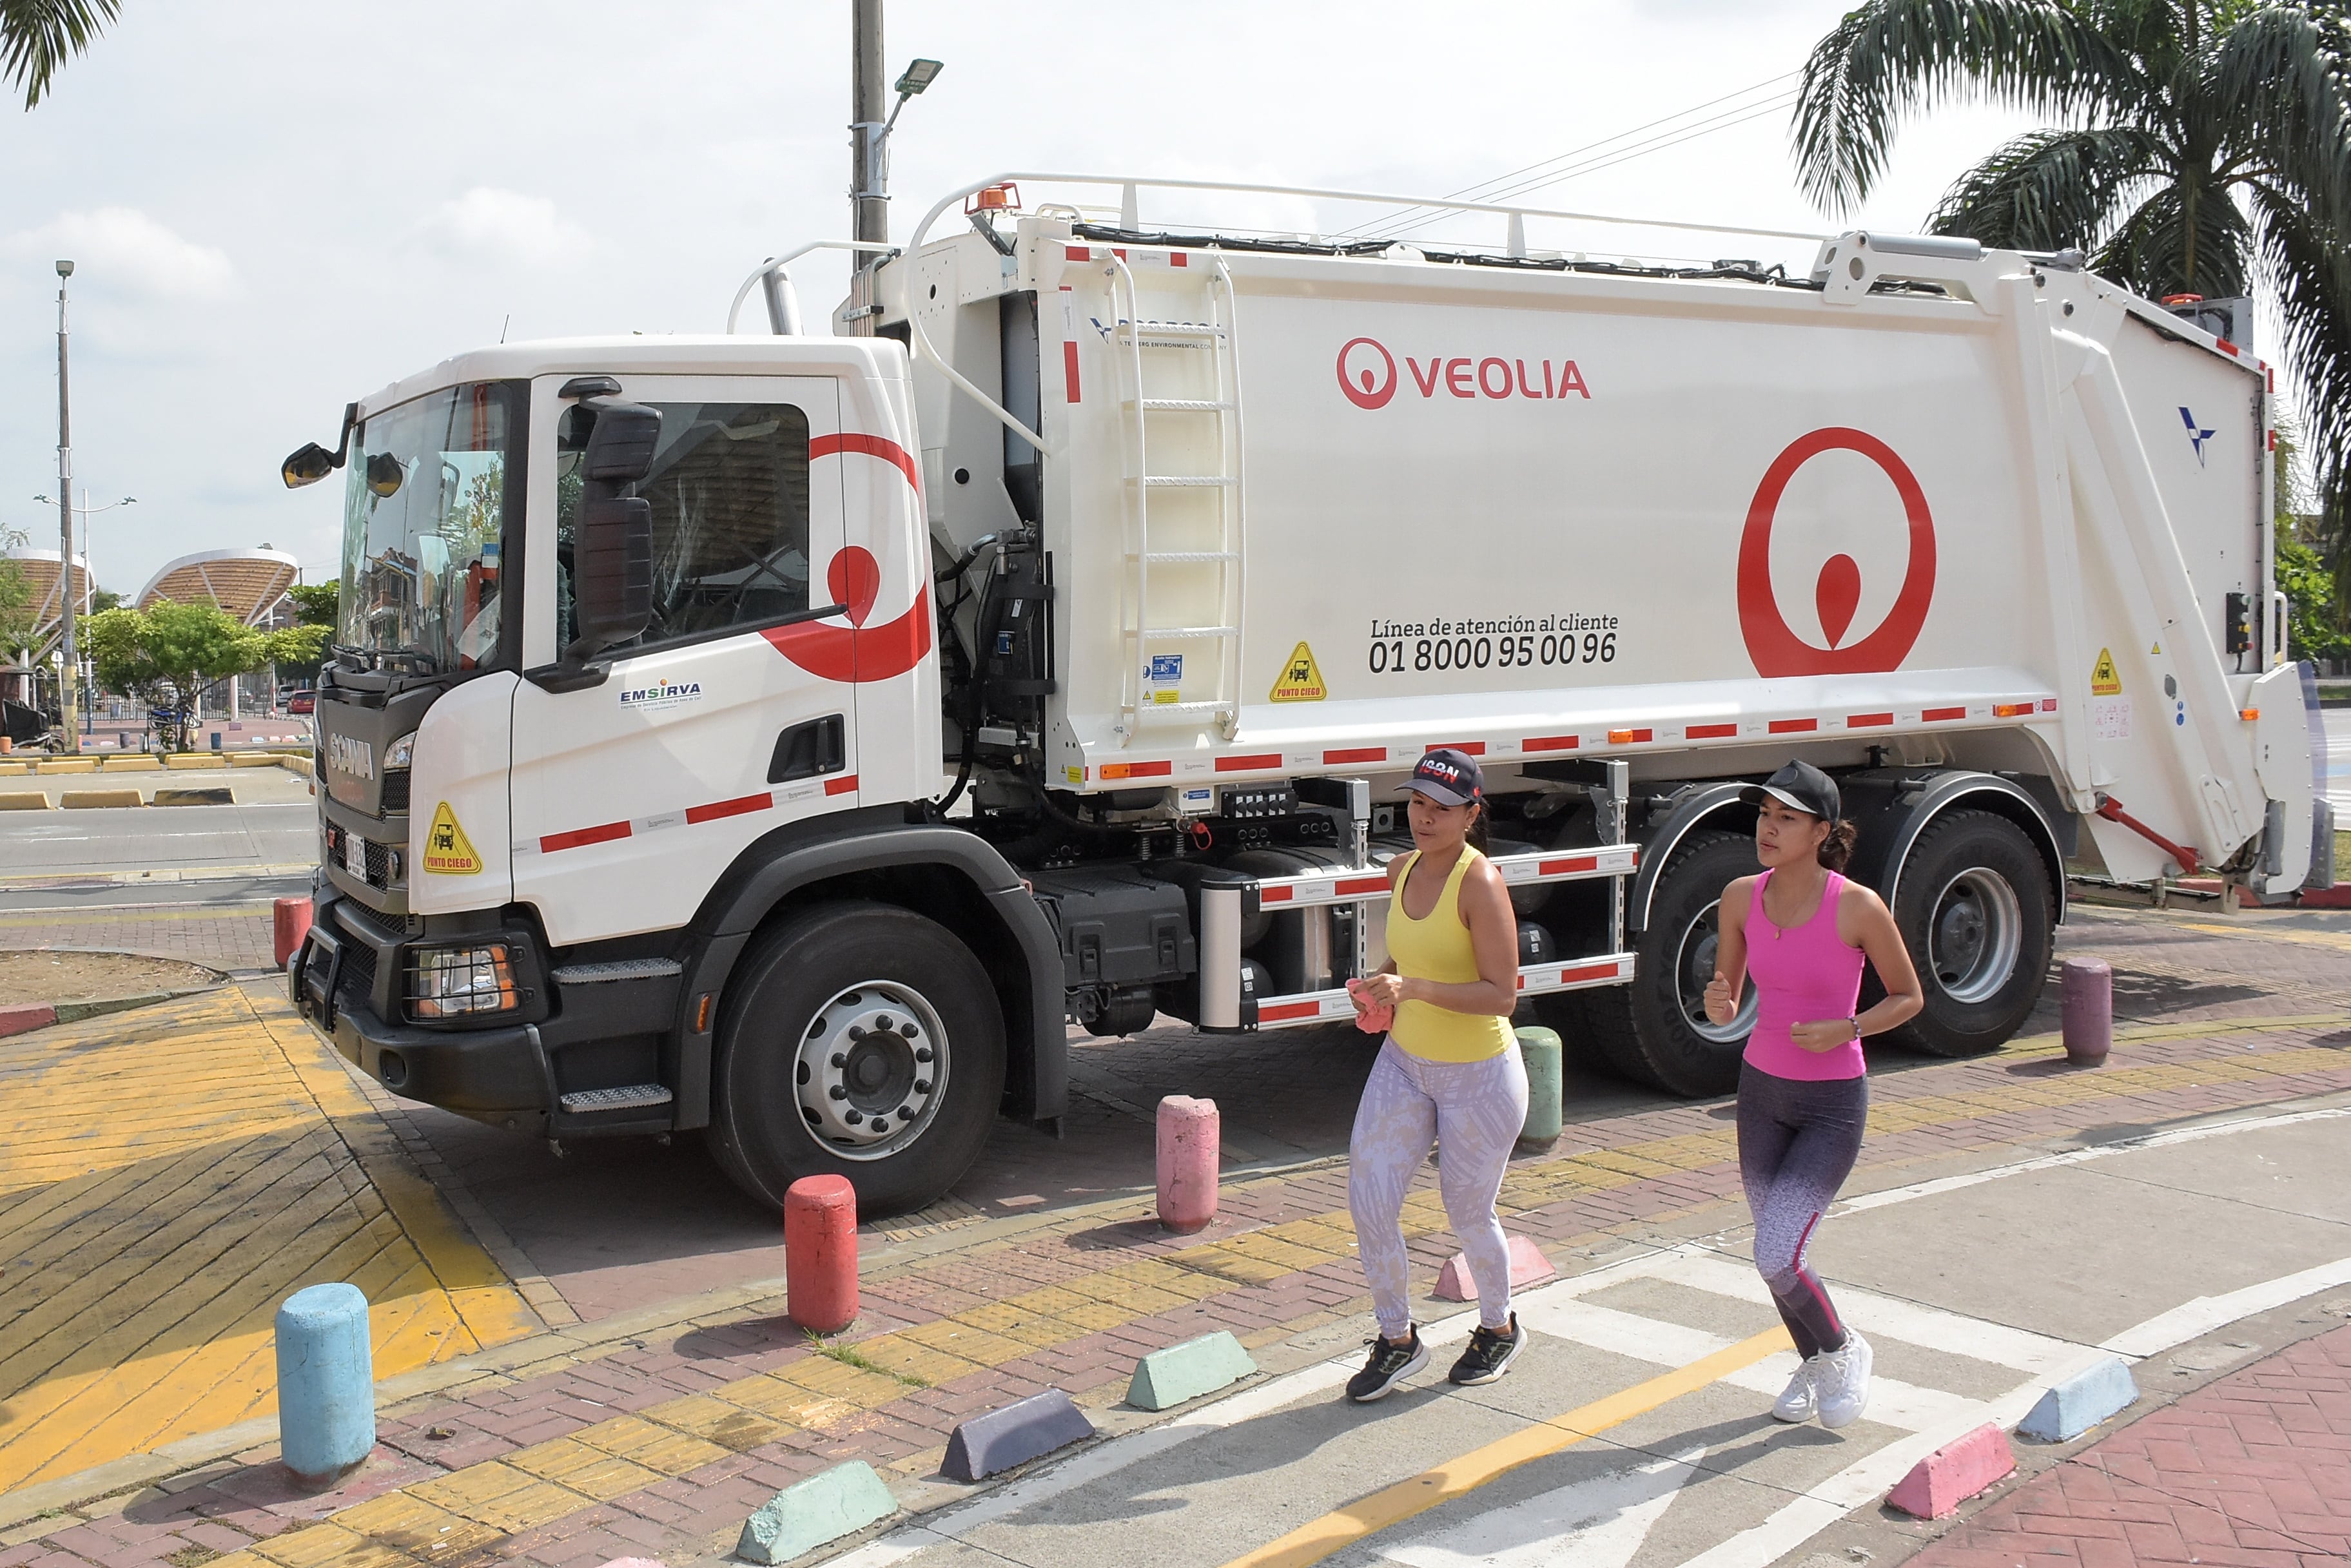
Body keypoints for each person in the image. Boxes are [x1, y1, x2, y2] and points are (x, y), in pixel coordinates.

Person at [1704, 760, 1922, 1429]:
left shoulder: (1856, 906)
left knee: (1776, 1253)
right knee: (1775, 1254)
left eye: (1786, 819)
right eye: (1764, 815)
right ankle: (1815, 1360)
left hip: (1831, 1104)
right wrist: (1717, 1003)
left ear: (1821, 831)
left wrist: (1847, 1027)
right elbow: (1726, 1000)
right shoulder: (1739, 896)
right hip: (1760, 1094)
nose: (1767, 829)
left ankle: (1842, 1347)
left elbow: (1908, 997)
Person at [1343, 748, 1530, 1401]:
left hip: (1480, 1076)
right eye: (1417, 803)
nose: (1424, 818)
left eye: (1441, 809)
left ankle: (1498, 1327)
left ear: (1470, 815)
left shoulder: (1480, 882)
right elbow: (1405, 957)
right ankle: (1397, 1340)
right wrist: (1376, 989)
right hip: (1404, 1062)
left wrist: (1413, 988)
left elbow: (1502, 995)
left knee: (1468, 1211)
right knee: (1368, 1199)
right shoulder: (1399, 869)